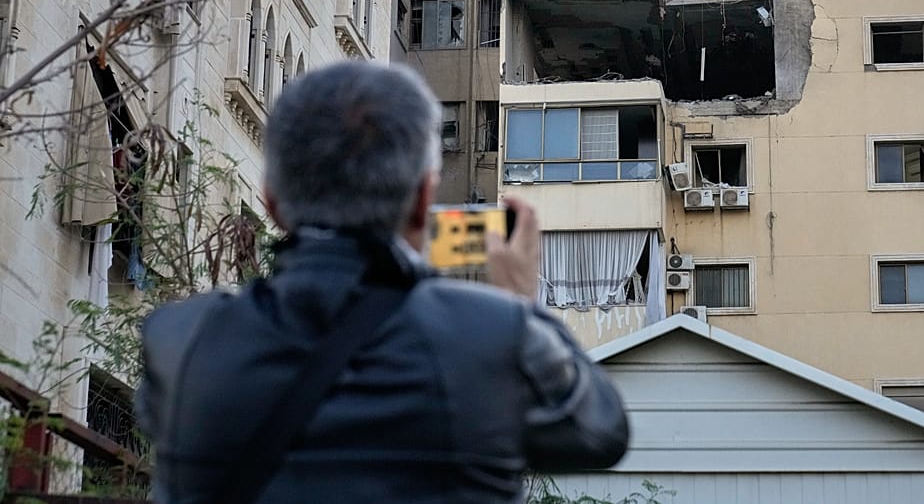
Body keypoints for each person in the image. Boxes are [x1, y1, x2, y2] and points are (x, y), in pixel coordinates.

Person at [136, 61, 629, 503]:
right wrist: (522, 303)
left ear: (271, 202)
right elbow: (600, 432)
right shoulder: (495, 335)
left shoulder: (179, 342)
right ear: (423, 199)